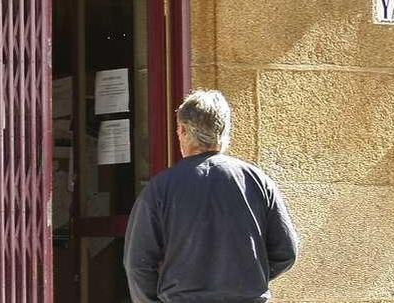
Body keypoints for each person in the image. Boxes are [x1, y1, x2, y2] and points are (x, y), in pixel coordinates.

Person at [124, 90, 298, 302]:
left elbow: (137, 263)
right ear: (224, 131)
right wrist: (248, 279)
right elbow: (286, 252)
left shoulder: (160, 189)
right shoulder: (257, 181)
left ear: (182, 130)